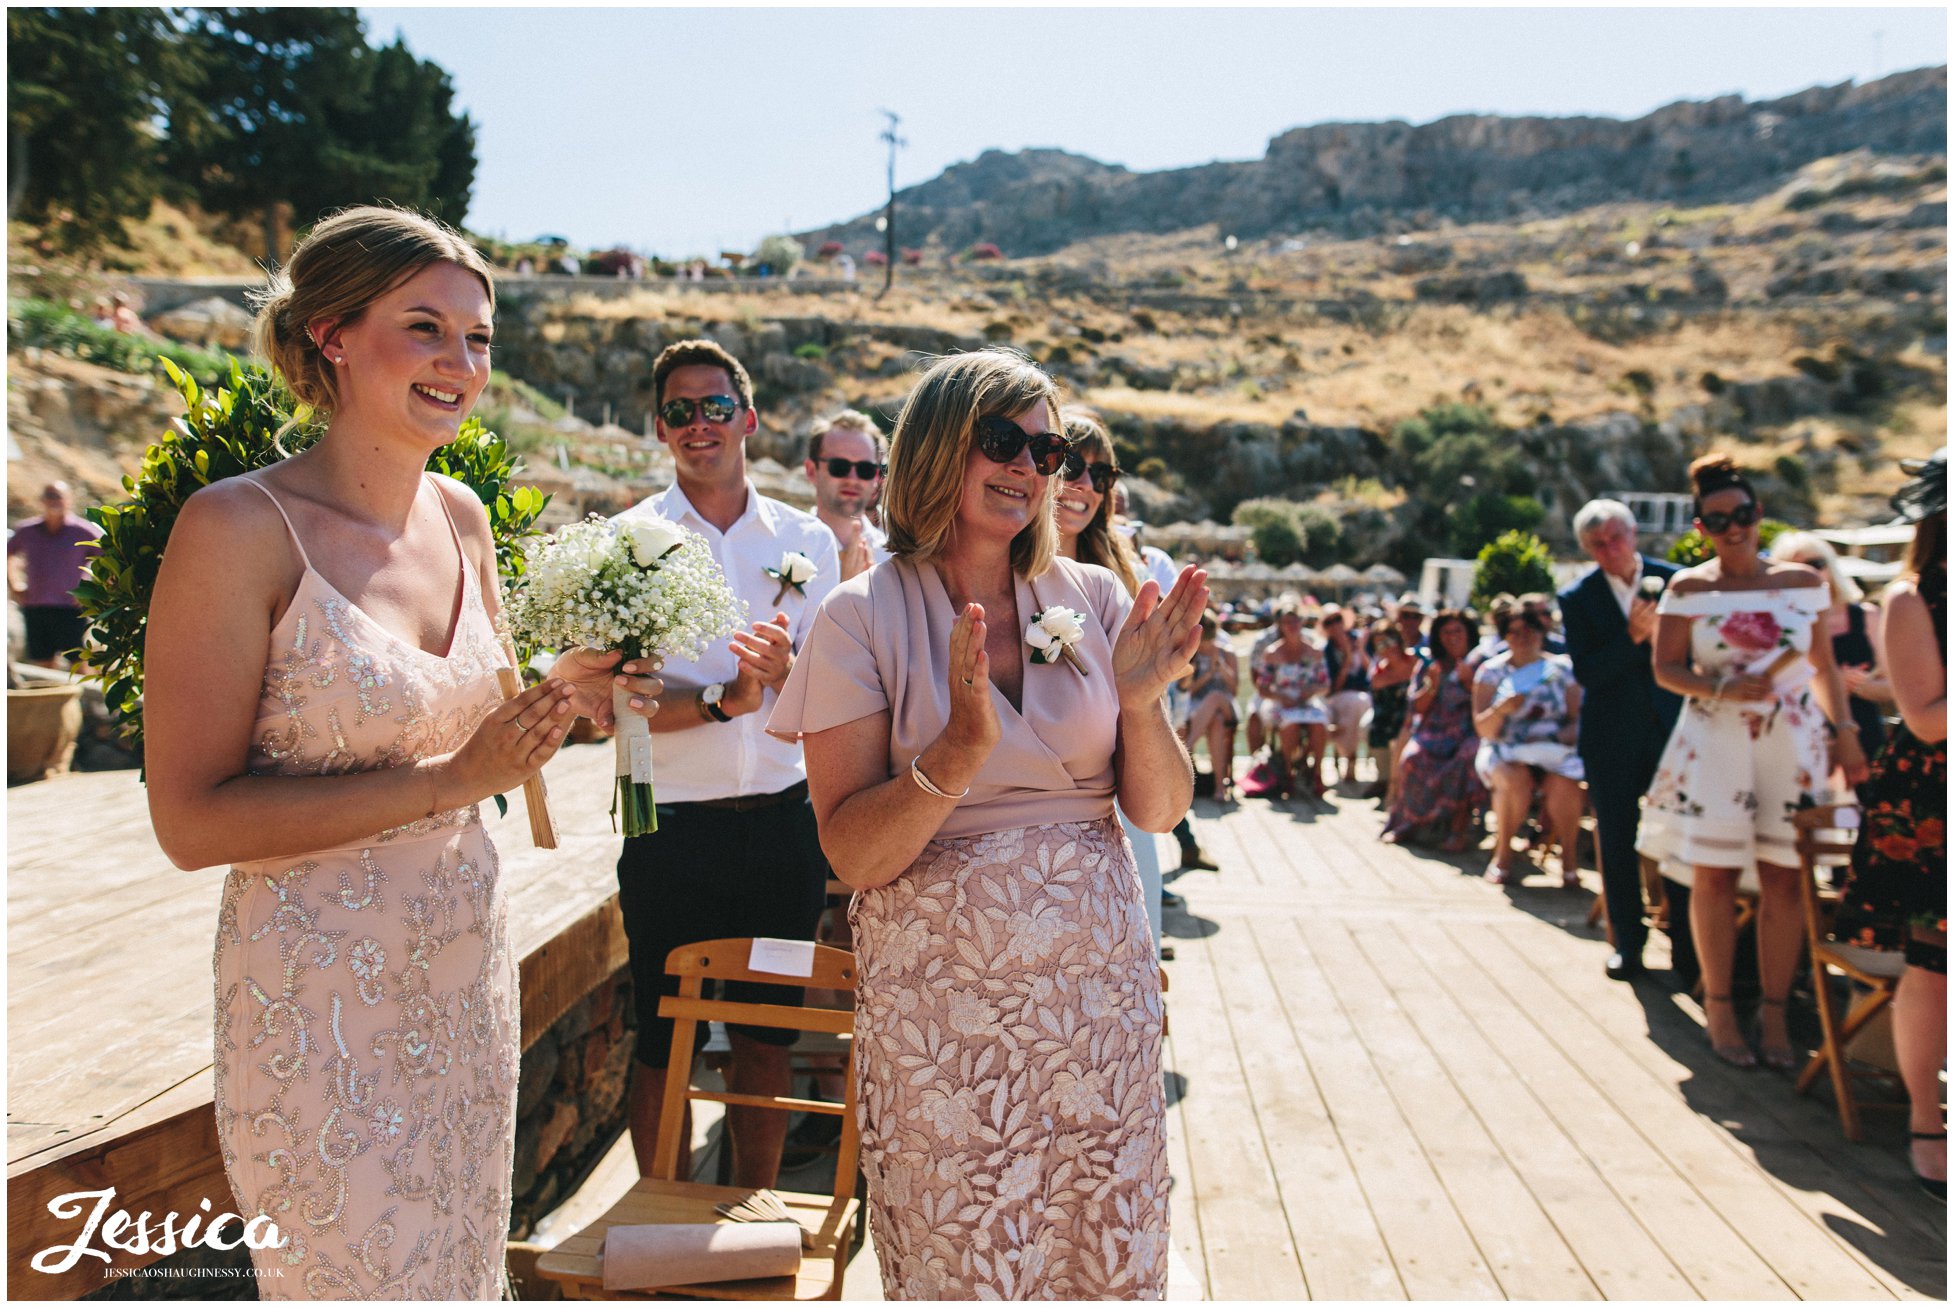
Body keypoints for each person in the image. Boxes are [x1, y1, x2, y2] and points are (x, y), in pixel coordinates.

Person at [142, 206, 661, 1298]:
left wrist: (581, 697)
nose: (459, 364)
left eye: (477, 340)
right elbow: (191, 823)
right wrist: (448, 782)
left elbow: (490, 735)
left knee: (456, 1267)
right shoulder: (236, 529)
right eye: (425, 328)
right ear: (331, 335)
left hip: (465, 979)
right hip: (317, 1005)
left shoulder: (465, 517)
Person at [769, 348, 1201, 1298]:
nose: (1029, 466)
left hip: (1096, 1009)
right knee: (968, 1254)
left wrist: (1141, 703)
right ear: (935, 447)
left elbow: (1161, 809)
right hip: (945, 1020)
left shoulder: (1092, 600)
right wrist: (957, 753)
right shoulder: (859, 616)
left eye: (1047, 451)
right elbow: (850, 849)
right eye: (1001, 439)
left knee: (1104, 1249)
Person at [614, 338, 841, 1186]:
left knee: (767, 1032)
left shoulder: (805, 538)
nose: (697, 424)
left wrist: (789, 682)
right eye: (679, 410)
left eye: (715, 407)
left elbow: (840, 690)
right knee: (660, 1039)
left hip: (784, 827)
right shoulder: (632, 539)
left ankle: (751, 1215)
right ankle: (657, 1221)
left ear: (747, 419)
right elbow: (622, 702)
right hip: (670, 831)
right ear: (661, 428)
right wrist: (720, 704)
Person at [1638, 454, 1869, 1068]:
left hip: (1790, 742)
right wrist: (1717, 689)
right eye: (1718, 520)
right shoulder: (1688, 589)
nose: (1733, 527)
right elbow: (1665, 669)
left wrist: (1845, 733)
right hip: (1717, 739)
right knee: (1712, 875)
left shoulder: (1801, 583)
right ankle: (1718, 1007)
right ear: (1700, 528)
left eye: (1742, 514)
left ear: (1759, 515)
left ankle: (1773, 1013)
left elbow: (1820, 667)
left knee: (1786, 877)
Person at [1831, 452, 1946, 1198]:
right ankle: (1927, 1124)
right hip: (1933, 805)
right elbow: (1927, 721)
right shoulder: (1910, 601)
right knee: (1934, 966)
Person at [1053, 412, 1180, 949]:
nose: (1085, 486)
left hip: (1119, 793)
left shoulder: (1131, 579)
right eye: (1071, 466)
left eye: (1101, 477)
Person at [1559, 498, 1695, 985]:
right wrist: (1634, 636)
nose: (1610, 549)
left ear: (1634, 534)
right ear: (1588, 550)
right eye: (1599, 544)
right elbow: (1589, 672)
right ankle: (1627, 947)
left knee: (1679, 841)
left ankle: (1688, 950)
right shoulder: (1578, 598)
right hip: (1610, 737)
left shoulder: (1679, 580)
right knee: (1615, 844)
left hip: (1671, 732)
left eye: (1617, 537)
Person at [1472, 609, 1584, 886]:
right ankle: (1503, 855)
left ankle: (1569, 860)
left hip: (1553, 750)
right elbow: (1483, 729)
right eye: (1515, 632)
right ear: (1505, 636)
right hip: (1505, 750)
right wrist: (1501, 710)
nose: (1523, 638)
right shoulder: (1491, 671)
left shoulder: (1563, 669)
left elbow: (1577, 721)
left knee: (1566, 785)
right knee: (1513, 778)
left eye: (1530, 631)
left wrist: (1556, 739)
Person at [1768, 531, 1892, 759]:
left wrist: (1860, 686)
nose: (1809, 572)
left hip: (1863, 732)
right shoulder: (1774, 624)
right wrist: (1829, 683)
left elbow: (1895, 685)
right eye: (1796, 567)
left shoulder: (1868, 617)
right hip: (1798, 735)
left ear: (1831, 566)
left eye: (1816, 563)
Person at [1382, 609, 1488, 850]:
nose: (1452, 637)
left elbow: (1489, 705)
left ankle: (1457, 830)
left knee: (1466, 757)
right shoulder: (1429, 664)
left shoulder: (1482, 663)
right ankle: (1408, 822)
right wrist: (1432, 685)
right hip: (1435, 730)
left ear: (1469, 633)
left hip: (1470, 731)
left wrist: (1470, 683)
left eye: (1457, 631)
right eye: (1446, 632)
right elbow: (1417, 708)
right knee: (1412, 757)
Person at [8, 481, 103, 666]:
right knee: (42, 659)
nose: (54, 501)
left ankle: (85, 694)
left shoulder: (82, 531)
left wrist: (92, 590)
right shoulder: (27, 531)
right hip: (36, 605)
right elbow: (7, 554)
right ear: (41, 500)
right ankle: (51, 695)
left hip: (70, 606)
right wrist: (13, 584)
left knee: (78, 658)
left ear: (69, 500)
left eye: (58, 496)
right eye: (50, 496)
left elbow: (109, 555)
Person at [1252, 604, 1331, 798]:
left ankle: (1317, 773)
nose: (1292, 625)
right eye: (1287, 622)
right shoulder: (1272, 653)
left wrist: (1311, 690)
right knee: (1290, 724)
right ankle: (1288, 773)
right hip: (1281, 701)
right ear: (1281, 625)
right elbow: (1262, 688)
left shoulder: (1315, 652)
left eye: (1295, 620)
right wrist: (1281, 696)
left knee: (1320, 723)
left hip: (1307, 701)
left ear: (1302, 622)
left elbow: (1325, 684)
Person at [803, 409, 892, 582]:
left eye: (865, 469)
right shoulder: (783, 543)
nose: (852, 479)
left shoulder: (894, 559)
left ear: (876, 477)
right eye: (839, 467)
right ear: (812, 471)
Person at [1180, 612, 1240, 801]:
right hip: (1200, 706)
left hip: (1227, 703)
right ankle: (1219, 787)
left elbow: (1234, 689)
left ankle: (1186, 747)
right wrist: (1206, 674)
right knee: (1217, 723)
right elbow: (1189, 691)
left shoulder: (1227, 653)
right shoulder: (1192, 656)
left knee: (1215, 697)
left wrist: (1220, 668)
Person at [1363, 617, 1418, 804]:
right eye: (1380, 645)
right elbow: (1378, 691)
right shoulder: (1378, 670)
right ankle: (1384, 779)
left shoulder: (1417, 660)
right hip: (1387, 714)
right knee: (1372, 727)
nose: (1387, 648)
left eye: (1389, 641)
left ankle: (1398, 784)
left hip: (1414, 713)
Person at [1320, 604, 1373, 787]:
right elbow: (1333, 688)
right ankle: (1350, 759)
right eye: (1329, 622)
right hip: (1338, 695)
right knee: (1353, 704)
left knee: (1357, 703)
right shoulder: (1325, 651)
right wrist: (1347, 660)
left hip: (1364, 695)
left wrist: (1360, 650)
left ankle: (1349, 758)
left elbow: (1373, 674)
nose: (1335, 625)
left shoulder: (1361, 640)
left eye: (1337, 620)